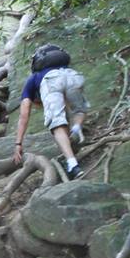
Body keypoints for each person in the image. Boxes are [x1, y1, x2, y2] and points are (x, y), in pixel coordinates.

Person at [13, 49, 88, 178]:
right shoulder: (64, 69)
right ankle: (76, 129)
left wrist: (18, 143)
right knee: (79, 110)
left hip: (52, 81)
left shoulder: (33, 79)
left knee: (57, 124)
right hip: (73, 76)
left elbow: (24, 115)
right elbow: (66, 105)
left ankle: (72, 165)